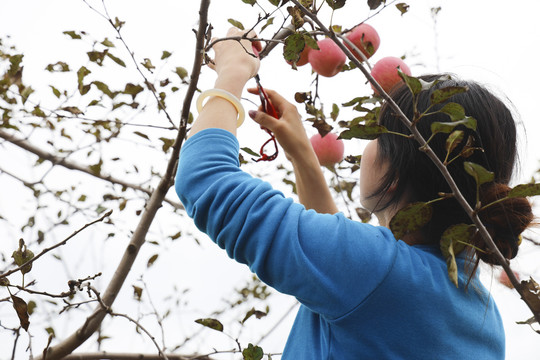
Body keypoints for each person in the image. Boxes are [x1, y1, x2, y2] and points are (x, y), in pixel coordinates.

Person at [175, 28, 534, 359]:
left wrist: (231, 73)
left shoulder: (377, 272)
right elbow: (349, 274)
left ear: (394, 175)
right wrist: (302, 152)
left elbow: (205, 179)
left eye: (376, 135)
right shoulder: (482, 316)